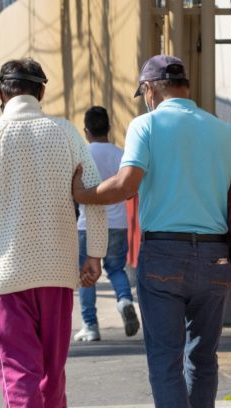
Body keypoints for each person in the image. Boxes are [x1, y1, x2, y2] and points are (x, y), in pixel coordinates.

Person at [72, 55, 231, 408]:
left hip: (164, 255)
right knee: (203, 354)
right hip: (215, 258)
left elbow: (125, 185)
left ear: (151, 89)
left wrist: (83, 194)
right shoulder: (223, 129)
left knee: (165, 358)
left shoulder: (148, 125)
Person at [0, 58, 107, 408]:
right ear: (40, 92)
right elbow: (93, 193)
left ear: (1, 91)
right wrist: (94, 254)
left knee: (17, 364)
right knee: (51, 364)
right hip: (59, 268)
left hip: (5, 272)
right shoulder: (65, 133)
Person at [73, 105, 140, 342]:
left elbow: (73, 189)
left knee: (86, 275)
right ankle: (124, 300)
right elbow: (130, 188)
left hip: (87, 224)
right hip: (118, 222)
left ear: (86, 131)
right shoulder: (120, 154)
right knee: (116, 269)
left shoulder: (81, 154)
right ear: (108, 129)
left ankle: (90, 326)